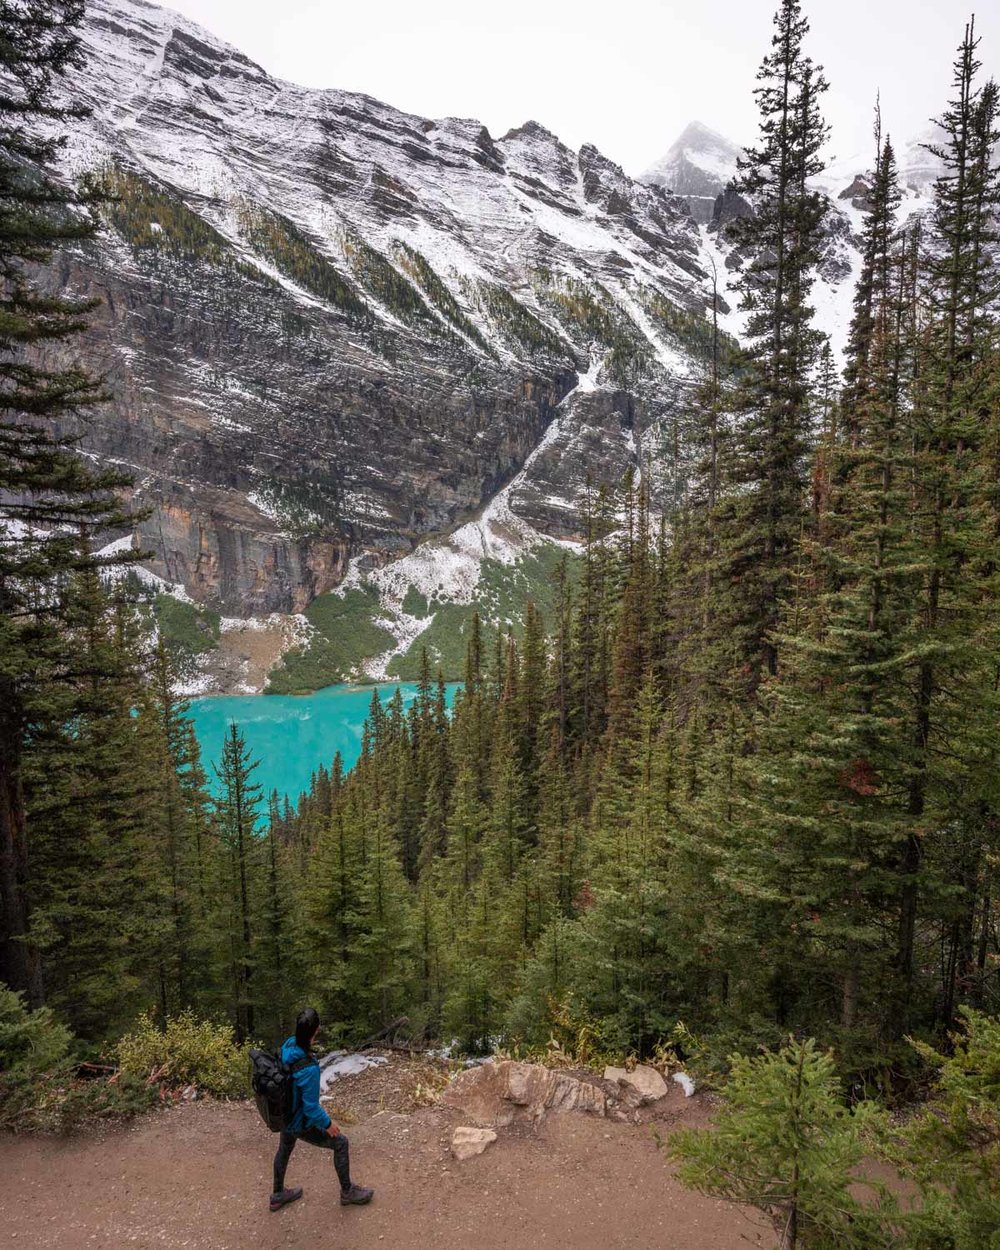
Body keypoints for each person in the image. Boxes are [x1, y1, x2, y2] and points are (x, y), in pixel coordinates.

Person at [270, 1007, 374, 1213]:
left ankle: (278, 1194)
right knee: (341, 1143)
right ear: (316, 1031)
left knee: (284, 1149)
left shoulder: (289, 1045)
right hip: (299, 1119)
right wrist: (328, 1124)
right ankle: (347, 1192)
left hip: (286, 1114)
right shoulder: (308, 1068)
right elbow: (311, 1108)